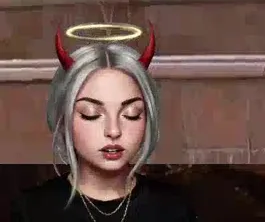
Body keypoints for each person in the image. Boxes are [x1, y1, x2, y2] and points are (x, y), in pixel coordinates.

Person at [10, 23, 198, 221]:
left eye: (131, 114)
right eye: (91, 114)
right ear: (63, 118)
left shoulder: (173, 208)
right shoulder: (32, 210)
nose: (113, 131)